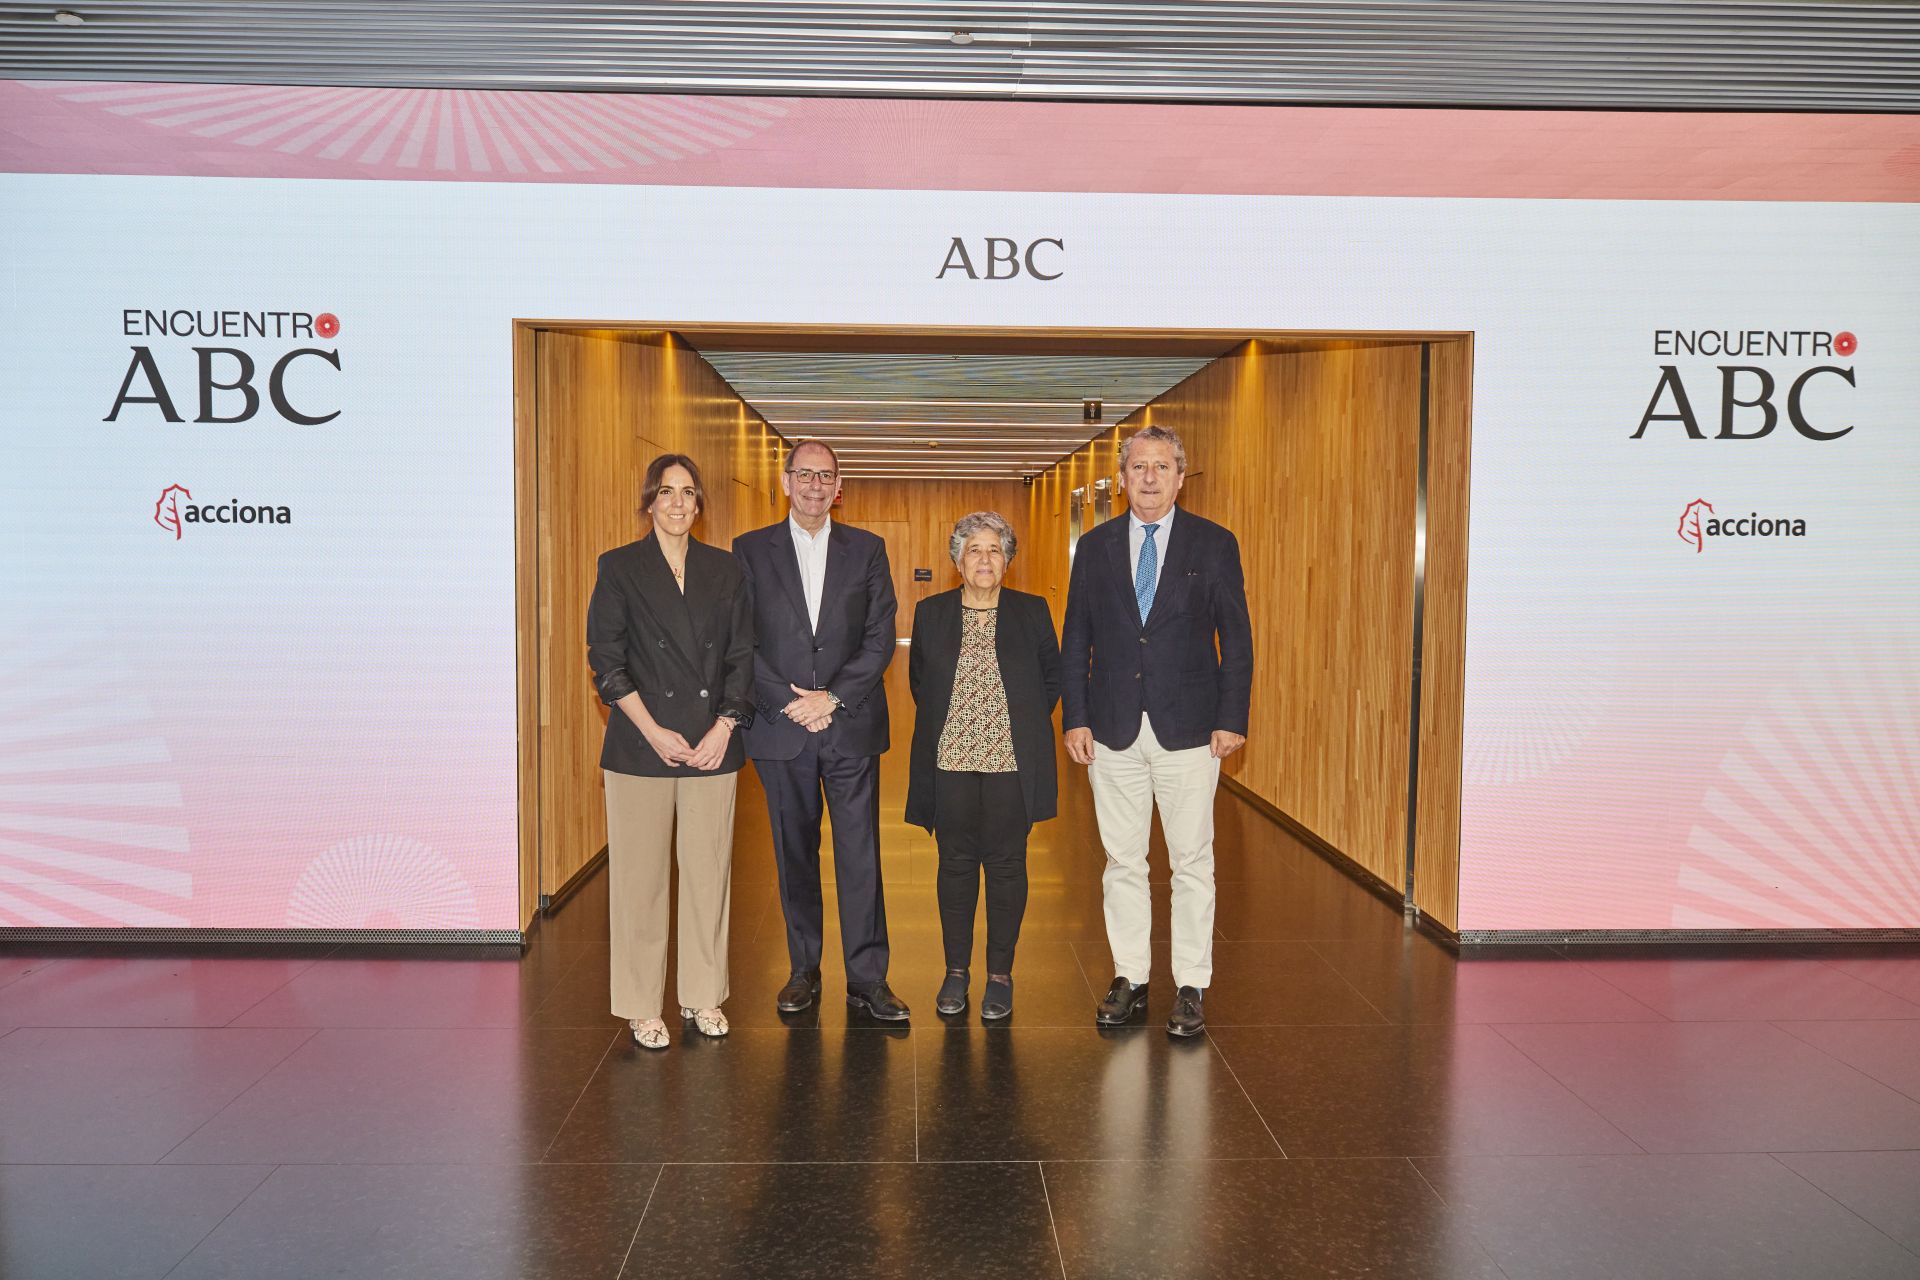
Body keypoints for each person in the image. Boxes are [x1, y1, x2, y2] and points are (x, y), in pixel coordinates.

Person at [1061, 425, 1253, 1038]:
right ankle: (1132, 977)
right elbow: (1076, 639)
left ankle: (1192, 983)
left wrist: (1231, 717)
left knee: (1192, 859)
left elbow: (1237, 639)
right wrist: (1077, 716)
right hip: (1113, 726)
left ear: (1179, 476)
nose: (1149, 477)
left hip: (1191, 728)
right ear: (1121, 479)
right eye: (1138, 466)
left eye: (1162, 466)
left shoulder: (1214, 544)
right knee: (1123, 859)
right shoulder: (1093, 548)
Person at [732, 441, 909, 1022]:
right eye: (804, 474)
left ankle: (867, 978)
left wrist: (830, 698)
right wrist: (791, 701)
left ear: (840, 487)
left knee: (860, 853)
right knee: (794, 854)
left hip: (849, 725)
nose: (814, 485)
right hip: (783, 729)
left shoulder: (868, 550)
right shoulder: (750, 551)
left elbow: (880, 637)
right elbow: (741, 643)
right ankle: (803, 969)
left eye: (825, 476)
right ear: (785, 482)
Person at [586, 453, 756, 1050]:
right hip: (640, 742)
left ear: (699, 503)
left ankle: (702, 995)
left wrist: (724, 729)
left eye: (688, 492)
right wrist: (653, 728)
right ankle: (640, 1004)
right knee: (639, 880)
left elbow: (741, 659)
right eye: (666, 491)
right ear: (648, 502)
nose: (678, 503)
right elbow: (605, 660)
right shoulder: (620, 568)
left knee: (709, 875)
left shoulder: (725, 570)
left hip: (713, 745)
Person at [906, 511, 1061, 1020]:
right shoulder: (931, 614)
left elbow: (1049, 683)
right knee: (953, 864)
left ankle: (999, 974)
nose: (985, 559)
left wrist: (1010, 727)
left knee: (1006, 864)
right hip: (949, 760)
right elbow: (920, 685)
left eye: (995, 549)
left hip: (1011, 764)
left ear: (1009, 560)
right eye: (974, 549)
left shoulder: (1032, 611)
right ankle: (955, 971)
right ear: (957, 560)